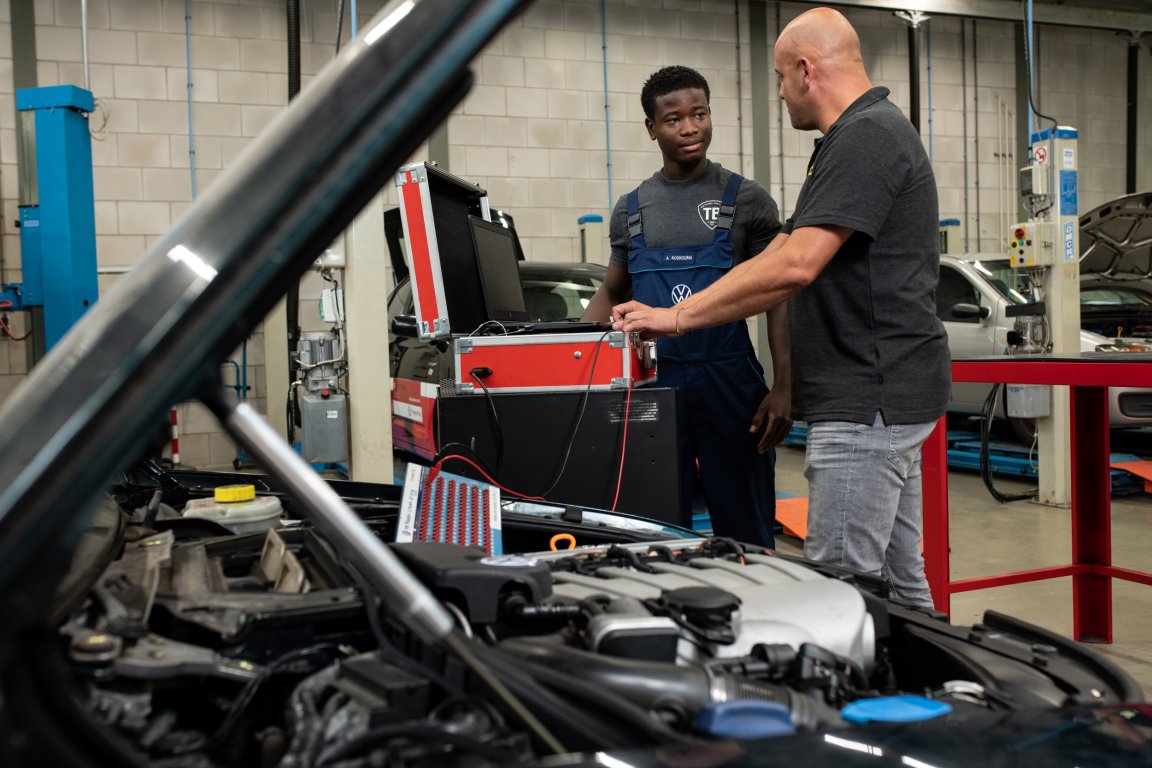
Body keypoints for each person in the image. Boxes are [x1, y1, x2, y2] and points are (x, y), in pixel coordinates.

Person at [611, 8, 950, 610]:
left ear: (805, 70)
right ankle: (928, 669)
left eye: (779, 78)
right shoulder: (849, 139)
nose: (781, 93)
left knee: (839, 589)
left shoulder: (866, 137)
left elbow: (794, 267)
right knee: (899, 584)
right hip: (877, 395)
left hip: (865, 400)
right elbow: (786, 248)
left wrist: (677, 317)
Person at [581, 65, 792, 549]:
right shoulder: (631, 208)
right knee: (654, 526)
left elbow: (778, 296)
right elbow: (612, 292)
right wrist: (566, 358)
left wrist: (784, 386)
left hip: (731, 383)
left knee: (746, 529)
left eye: (699, 114)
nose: (690, 128)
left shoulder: (747, 200)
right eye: (674, 119)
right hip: (654, 385)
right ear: (651, 128)